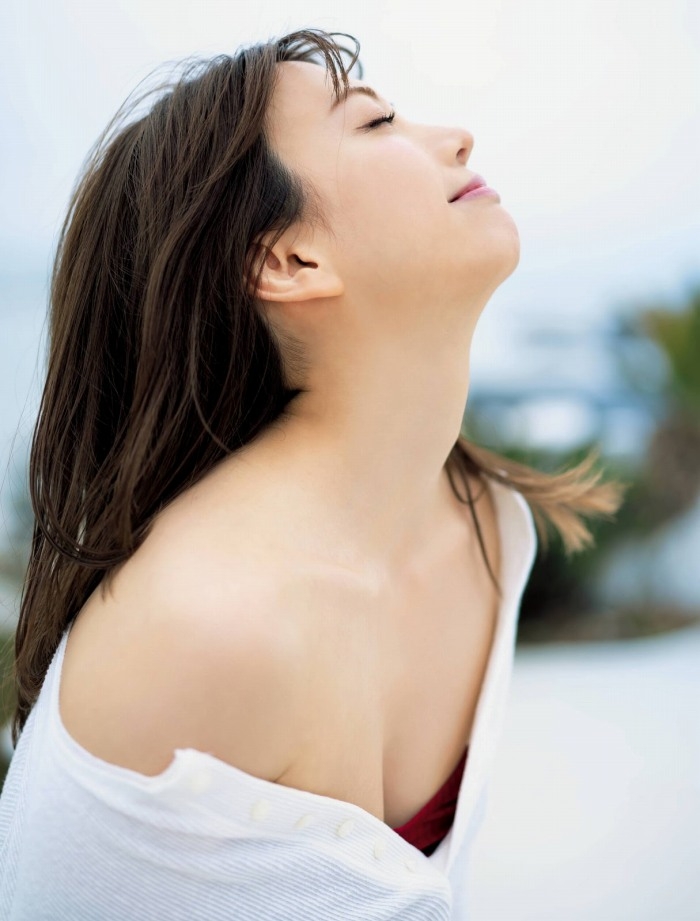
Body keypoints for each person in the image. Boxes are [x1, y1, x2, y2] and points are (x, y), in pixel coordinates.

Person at [0, 27, 624, 920]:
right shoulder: (211, 623)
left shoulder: (485, 521)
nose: (456, 138)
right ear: (287, 260)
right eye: (374, 124)